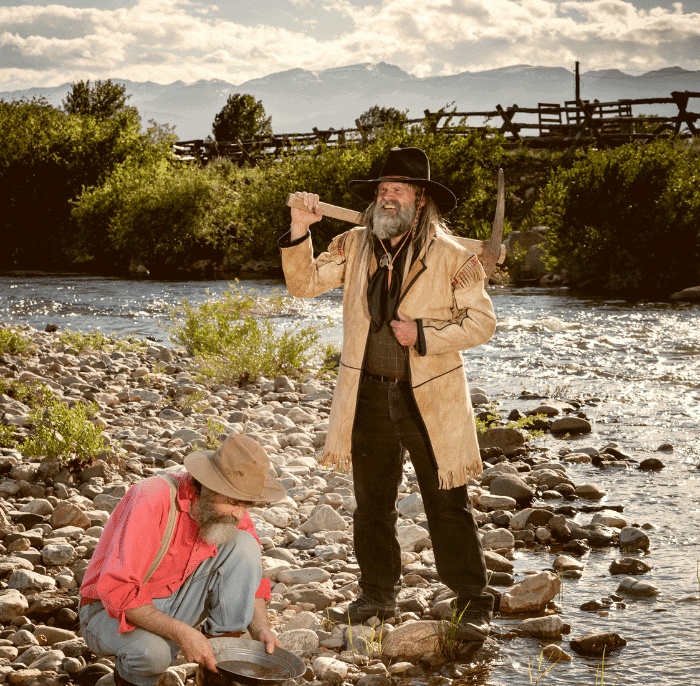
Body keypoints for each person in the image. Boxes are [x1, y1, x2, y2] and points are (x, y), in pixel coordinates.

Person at [278, 147, 497, 640]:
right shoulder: (354, 244)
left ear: (421, 201)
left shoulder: (453, 257)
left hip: (428, 398)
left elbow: (483, 322)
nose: (388, 198)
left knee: (446, 501)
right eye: (382, 191)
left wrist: (422, 333)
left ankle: (471, 596)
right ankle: (377, 594)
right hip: (369, 395)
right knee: (371, 503)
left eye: (398, 190)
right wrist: (299, 228)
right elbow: (304, 284)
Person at [79, 434, 286, 686]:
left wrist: (261, 629)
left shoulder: (231, 510)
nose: (240, 514)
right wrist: (182, 633)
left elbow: (249, 580)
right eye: (234, 502)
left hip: (175, 601)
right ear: (208, 485)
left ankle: (218, 666)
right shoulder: (151, 498)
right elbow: (118, 593)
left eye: (247, 505)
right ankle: (131, 677)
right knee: (153, 654)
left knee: (244, 545)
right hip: (109, 611)